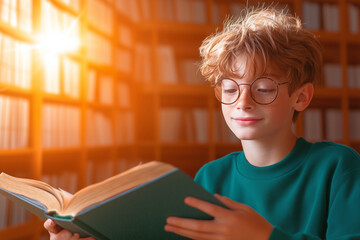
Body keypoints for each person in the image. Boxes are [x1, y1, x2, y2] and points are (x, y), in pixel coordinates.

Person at [44, 7, 360, 240]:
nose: (243, 102)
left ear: (301, 98)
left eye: (263, 89)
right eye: (231, 89)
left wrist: (264, 237)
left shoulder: (338, 166)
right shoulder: (211, 177)